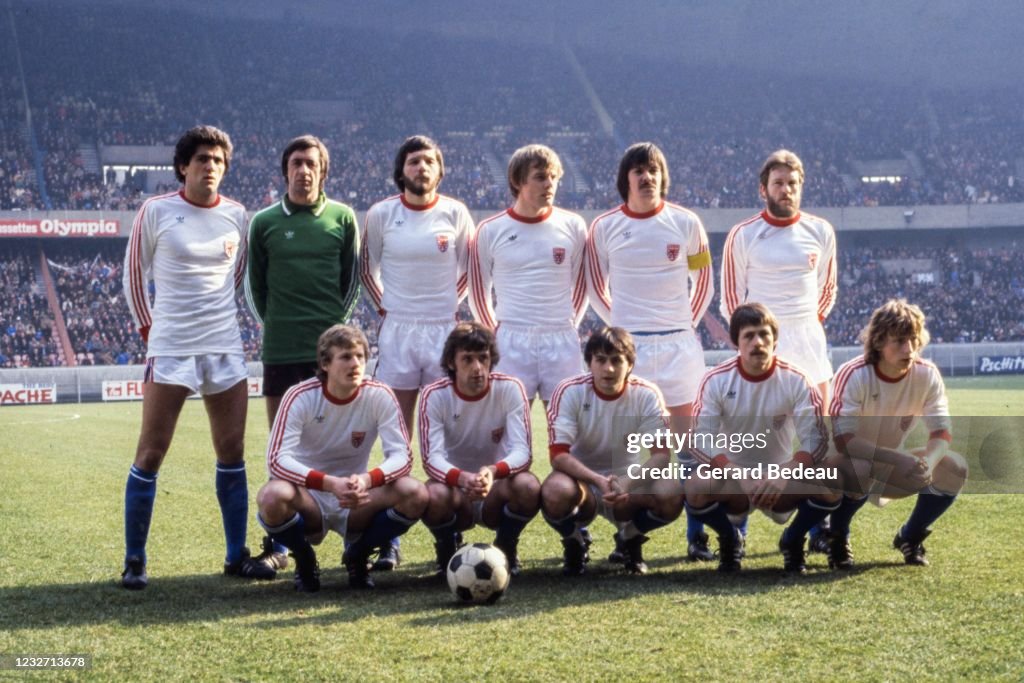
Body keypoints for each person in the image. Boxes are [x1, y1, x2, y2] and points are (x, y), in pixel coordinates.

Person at [120, 125, 263, 589]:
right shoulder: (156, 210)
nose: (210, 167)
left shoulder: (238, 216)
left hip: (223, 345)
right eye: (202, 159)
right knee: (151, 452)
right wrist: (152, 331)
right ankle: (135, 559)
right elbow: (132, 277)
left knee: (232, 451)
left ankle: (235, 554)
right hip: (172, 347)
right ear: (183, 166)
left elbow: (239, 279)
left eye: (218, 160)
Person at [586, 142, 714, 561]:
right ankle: (630, 537)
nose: (647, 177)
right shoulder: (604, 228)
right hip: (629, 349)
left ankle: (698, 537)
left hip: (679, 343)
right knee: (633, 450)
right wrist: (624, 331)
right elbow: (594, 287)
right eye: (638, 170)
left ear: (663, 176)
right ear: (626, 178)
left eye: (654, 169)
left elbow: (705, 283)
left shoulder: (687, 223)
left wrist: (681, 325)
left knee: (689, 447)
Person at [245, 134, 361, 574]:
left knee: (342, 439)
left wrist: (335, 336)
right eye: (295, 162)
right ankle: (281, 543)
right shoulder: (264, 222)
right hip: (280, 349)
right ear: (285, 170)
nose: (303, 170)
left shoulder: (343, 218)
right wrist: (275, 325)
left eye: (311, 163)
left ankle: (364, 534)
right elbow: (255, 289)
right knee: (282, 447)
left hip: (329, 354)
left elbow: (351, 283)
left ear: (323, 171)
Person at [361, 135, 474, 570]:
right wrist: (390, 306)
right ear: (401, 169)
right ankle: (391, 535)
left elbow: (469, 272)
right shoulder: (382, 214)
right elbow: (367, 269)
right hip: (398, 332)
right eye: (413, 161)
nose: (421, 167)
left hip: (443, 329)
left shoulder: (456, 213)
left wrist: (449, 306)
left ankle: (448, 531)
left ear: (439, 170)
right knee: (397, 436)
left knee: (444, 430)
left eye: (429, 161)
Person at [719, 149, 838, 553]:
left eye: (792, 183)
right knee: (747, 435)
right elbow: (732, 299)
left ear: (800, 187)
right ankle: (736, 522)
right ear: (763, 188)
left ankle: (819, 527)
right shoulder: (744, 234)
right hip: (761, 342)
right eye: (778, 183)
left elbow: (826, 291)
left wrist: (803, 327)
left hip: (808, 343)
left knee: (819, 436)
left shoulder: (821, 231)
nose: (785, 190)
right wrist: (757, 336)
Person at [255, 325, 428, 591]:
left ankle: (358, 554)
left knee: (415, 492)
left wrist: (367, 480)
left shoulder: (379, 395)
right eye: (346, 357)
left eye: (360, 356)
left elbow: (402, 456)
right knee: (271, 496)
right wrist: (330, 484)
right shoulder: (300, 396)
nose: (356, 363)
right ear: (325, 363)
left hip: (356, 497)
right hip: (310, 496)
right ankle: (304, 557)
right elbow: (277, 459)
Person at [686, 303, 840, 573]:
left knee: (832, 479)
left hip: (782, 480)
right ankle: (730, 538)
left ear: (775, 340)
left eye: (764, 334)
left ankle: (793, 539)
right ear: (736, 342)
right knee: (696, 486)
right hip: (735, 483)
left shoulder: (797, 379)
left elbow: (816, 440)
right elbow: (700, 438)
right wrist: (737, 473)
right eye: (749, 335)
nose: (758, 342)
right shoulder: (716, 380)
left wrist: (784, 474)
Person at [828, 299, 967, 568]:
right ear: (878, 342)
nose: (910, 348)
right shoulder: (854, 374)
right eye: (900, 341)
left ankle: (910, 536)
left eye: (914, 339)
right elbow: (843, 442)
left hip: (885, 464)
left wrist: (930, 460)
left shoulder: (926, 374)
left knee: (954, 467)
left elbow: (941, 431)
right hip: (837, 469)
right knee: (859, 466)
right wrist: (898, 459)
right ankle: (837, 537)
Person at [542, 327, 683, 575]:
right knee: (555, 491)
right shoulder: (569, 391)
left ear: (629, 365)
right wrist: (596, 479)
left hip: (626, 484)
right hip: (581, 484)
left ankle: (630, 537)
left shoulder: (646, 394)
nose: (608, 369)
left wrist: (628, 482)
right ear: (589, 363)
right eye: (601, 360)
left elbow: (661, 455)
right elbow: (558, 455)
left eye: (617, 360)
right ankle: (574, 542)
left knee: (671, 490)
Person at [468, 144, 587, 406]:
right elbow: (478, 292)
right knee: (511, 433)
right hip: (511, 340)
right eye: (541, 177)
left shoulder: (573, 226)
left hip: (561, 339)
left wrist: (566, 324)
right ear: (518, 181)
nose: (550, 184)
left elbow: (581, 286)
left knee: (568, 430)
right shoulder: (490, 230)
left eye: (554, 177)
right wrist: (495, 334)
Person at [419, 322, 539, 576]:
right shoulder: (434, 395)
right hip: (455, 493)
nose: (477, 368)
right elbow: (432, 459)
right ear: (451, 362)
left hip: (495, 490)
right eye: (468, 359)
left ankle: (506, 545)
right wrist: (463, 478)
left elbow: (523, 452)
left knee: (528, 486)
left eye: (483, 358)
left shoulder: (510, 388)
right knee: (432, 494)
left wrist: (492, 472)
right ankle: (447, 547)